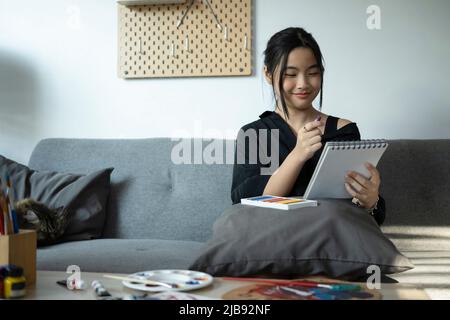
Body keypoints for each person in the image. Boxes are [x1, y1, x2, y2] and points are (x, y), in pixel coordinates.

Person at [231, 27, 385, 225]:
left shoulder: (342, 131)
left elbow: (353, 206)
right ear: (268, 75)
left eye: (312, 73)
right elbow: (245, 203)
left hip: (329, 229)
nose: (303, 83)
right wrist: (298, 154)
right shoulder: (253, 134)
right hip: (270, 230)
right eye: (290, 74)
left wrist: (371, 200)